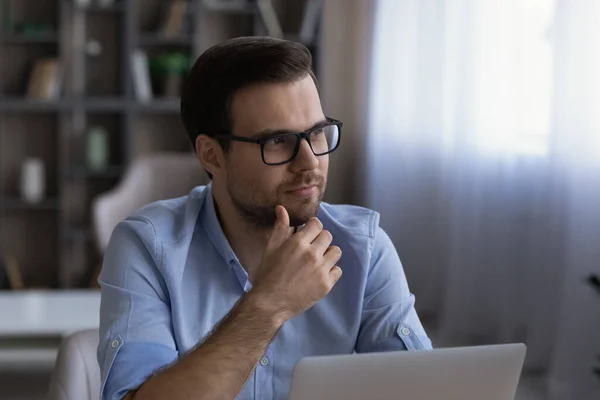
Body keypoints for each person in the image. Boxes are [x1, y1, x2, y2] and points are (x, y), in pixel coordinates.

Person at [97, 36, 432, 400]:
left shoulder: (365, 250)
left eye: (317, 133)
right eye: (277, 142)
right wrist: (269, 304)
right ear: (212, 155)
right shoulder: (148, 247)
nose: (309, 163)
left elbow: (423, 390)